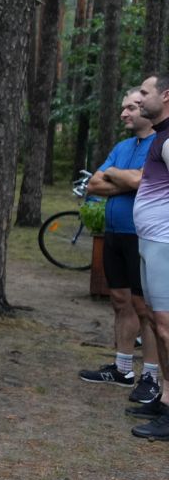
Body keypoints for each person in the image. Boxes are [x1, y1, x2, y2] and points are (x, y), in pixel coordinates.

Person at [79, 89, 158, 403]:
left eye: (130, 108)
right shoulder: (122, 146)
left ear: (146, 109)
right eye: (123, 108)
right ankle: (123, 369)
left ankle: (151, 377)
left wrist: (116, 176)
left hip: (142, 235)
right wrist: (120, 177)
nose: (124, 114)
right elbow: (93, 184)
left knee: (146, 309)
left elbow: (143, 181)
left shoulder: (160, 144)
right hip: (113, 233)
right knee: (119, 301)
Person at [130, 74, 169, 441]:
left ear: (166, 96)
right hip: (152, 242)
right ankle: (165, 397)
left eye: (145, 92)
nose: (139, 98)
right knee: (160, 327)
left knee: (166, 328)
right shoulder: (160, 137)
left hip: (164, 245)